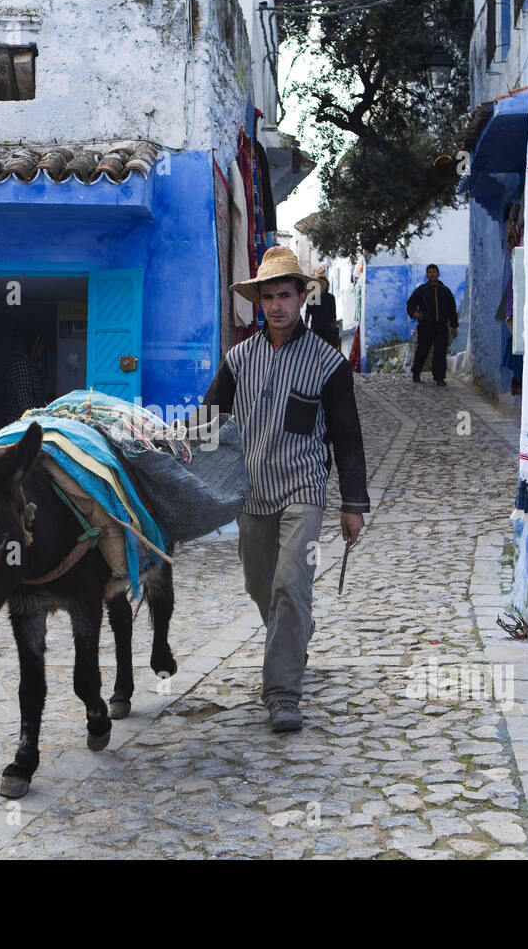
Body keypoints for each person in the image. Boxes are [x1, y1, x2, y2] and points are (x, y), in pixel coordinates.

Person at [203, 246, 369, 732]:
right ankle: (295, 634)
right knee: (261, 586)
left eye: (285, 295)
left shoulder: (327, 363)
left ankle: (282, 694)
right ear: (259, 302)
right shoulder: (237, 360)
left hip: (304, 489)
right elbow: (210, 423)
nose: (277, 305)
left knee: (290, 584)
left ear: (301, 298)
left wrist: (352, 504)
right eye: (269, 297)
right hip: (252, 495)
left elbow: (347, 434)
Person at [406, 264, 458, 386]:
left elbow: (452, 309)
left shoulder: (445, 291)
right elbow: (410, 303)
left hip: (441, 327)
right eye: (429, 272)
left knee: (440, 351)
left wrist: (454, 326)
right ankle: (416, 372)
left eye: (434, 271)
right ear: (427, 275)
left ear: (438, 274)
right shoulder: (422, 290)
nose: (432, 274)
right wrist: (414, 313)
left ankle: (439, 377)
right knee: (422, 351)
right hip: (426, 326)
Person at [5, 329, 45, 423]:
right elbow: (25, 401)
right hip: (22, 424)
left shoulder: (29, 364)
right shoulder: (20, 363)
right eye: (40, 346)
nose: (42, 349)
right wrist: (40, 420)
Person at [305, 274, 341, 351]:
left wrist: (306, 325)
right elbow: (333, 316)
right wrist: (334, 328)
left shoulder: (313, 297)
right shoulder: (330, 297)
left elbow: (308, 313)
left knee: (317, 350)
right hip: (326, 329)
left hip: (317, 329)